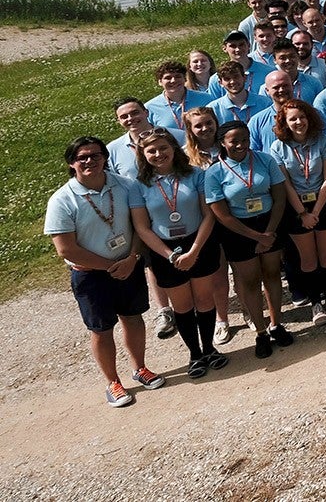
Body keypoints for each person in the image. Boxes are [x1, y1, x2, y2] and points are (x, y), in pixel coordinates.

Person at [44, 136, 167, 407]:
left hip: (128, 264)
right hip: (91, 275)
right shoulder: (62, 200)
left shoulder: (126, 186)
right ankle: (113, 381)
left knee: (133, 318)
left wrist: (132, 258)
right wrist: (112, 267)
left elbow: (139, 226)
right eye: (82, 157)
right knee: (101, 329)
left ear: (105, 158)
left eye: (96, 155)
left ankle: (140, 368)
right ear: (71, 163)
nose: (90, 161)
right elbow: (66, 249)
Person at [132, 129, 226, 378]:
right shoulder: (139, 185)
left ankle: (209, 348)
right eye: (151, 150)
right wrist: (171, 256)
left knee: (205, 300)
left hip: (199, 243)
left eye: (163, 148)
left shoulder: (195, 175)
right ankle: (194, 354)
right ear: (143, 154)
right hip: (164, 251)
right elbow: (142, 227)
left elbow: (208, 215)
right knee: (182, 306)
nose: (158, 154)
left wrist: (194, 250)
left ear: (174, 148)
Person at [204, 120, 295, 359]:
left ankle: (276, 324)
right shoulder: (215, 172)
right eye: (234, 141)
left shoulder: (265, 160)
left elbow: (279, 197)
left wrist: (268, 233)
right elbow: (221, 213)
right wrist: (256, 237)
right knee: (250, 282)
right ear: (223, 142)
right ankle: (261, 332)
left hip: (269, 224)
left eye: (244, 139)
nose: (241, 145)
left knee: (273, 275)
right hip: (238, 230)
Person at [267, 100, 326, 324]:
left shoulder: (322, 141)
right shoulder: (277, 147)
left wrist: (316, 211)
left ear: (309, 118)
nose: (298, 122)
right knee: (308, 259)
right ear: (284, 122)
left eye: (302, 117)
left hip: (324, 202)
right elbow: (285, 184)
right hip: (296, 207)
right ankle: (316, 303)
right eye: (292, 119)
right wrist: (303, 213)